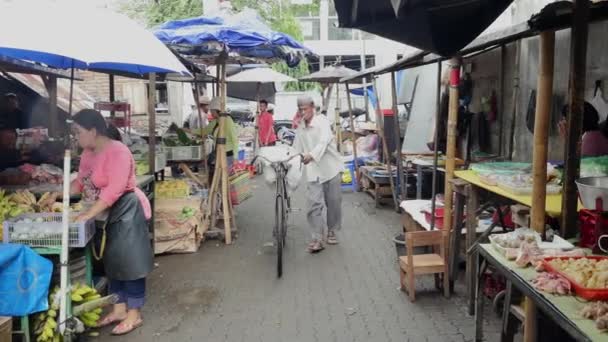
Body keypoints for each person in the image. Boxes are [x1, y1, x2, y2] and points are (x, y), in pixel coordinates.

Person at [49, 109, 153, 335]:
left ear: (93, 131)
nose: (76, 137)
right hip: (105, 212)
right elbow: (81, 181)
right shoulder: (88, 152)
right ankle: (119, 309)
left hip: (127, 210)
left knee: (130, 263)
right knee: (112, 262)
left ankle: (134, 314)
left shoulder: (119, 152)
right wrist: (58, 194)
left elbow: (115, 190)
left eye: (77, 132)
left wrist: (88, 213)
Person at [293, 95, 343, 253]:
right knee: (313, 205)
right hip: (314, 171)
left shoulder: (322, 122)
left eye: (305, 109)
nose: (302, 113)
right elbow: (296, 148)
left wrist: (311, 155)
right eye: (300, 110)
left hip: (330, 168)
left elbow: (323, 142)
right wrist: (291, 158)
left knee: (333, 203)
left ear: (312, 107)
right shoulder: (300, 127)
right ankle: (317, 238)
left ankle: (332, 230)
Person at [202, 97, 239, 178]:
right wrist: (188, 131)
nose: (210, 112)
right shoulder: (216, 121)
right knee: (220, 179)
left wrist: (236, 158)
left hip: (227, 156)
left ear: (216, 110)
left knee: (225, 179)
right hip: (218, 154)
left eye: (211, 110)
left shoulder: (227, 120)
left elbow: (235, 139)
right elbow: (204, 131)